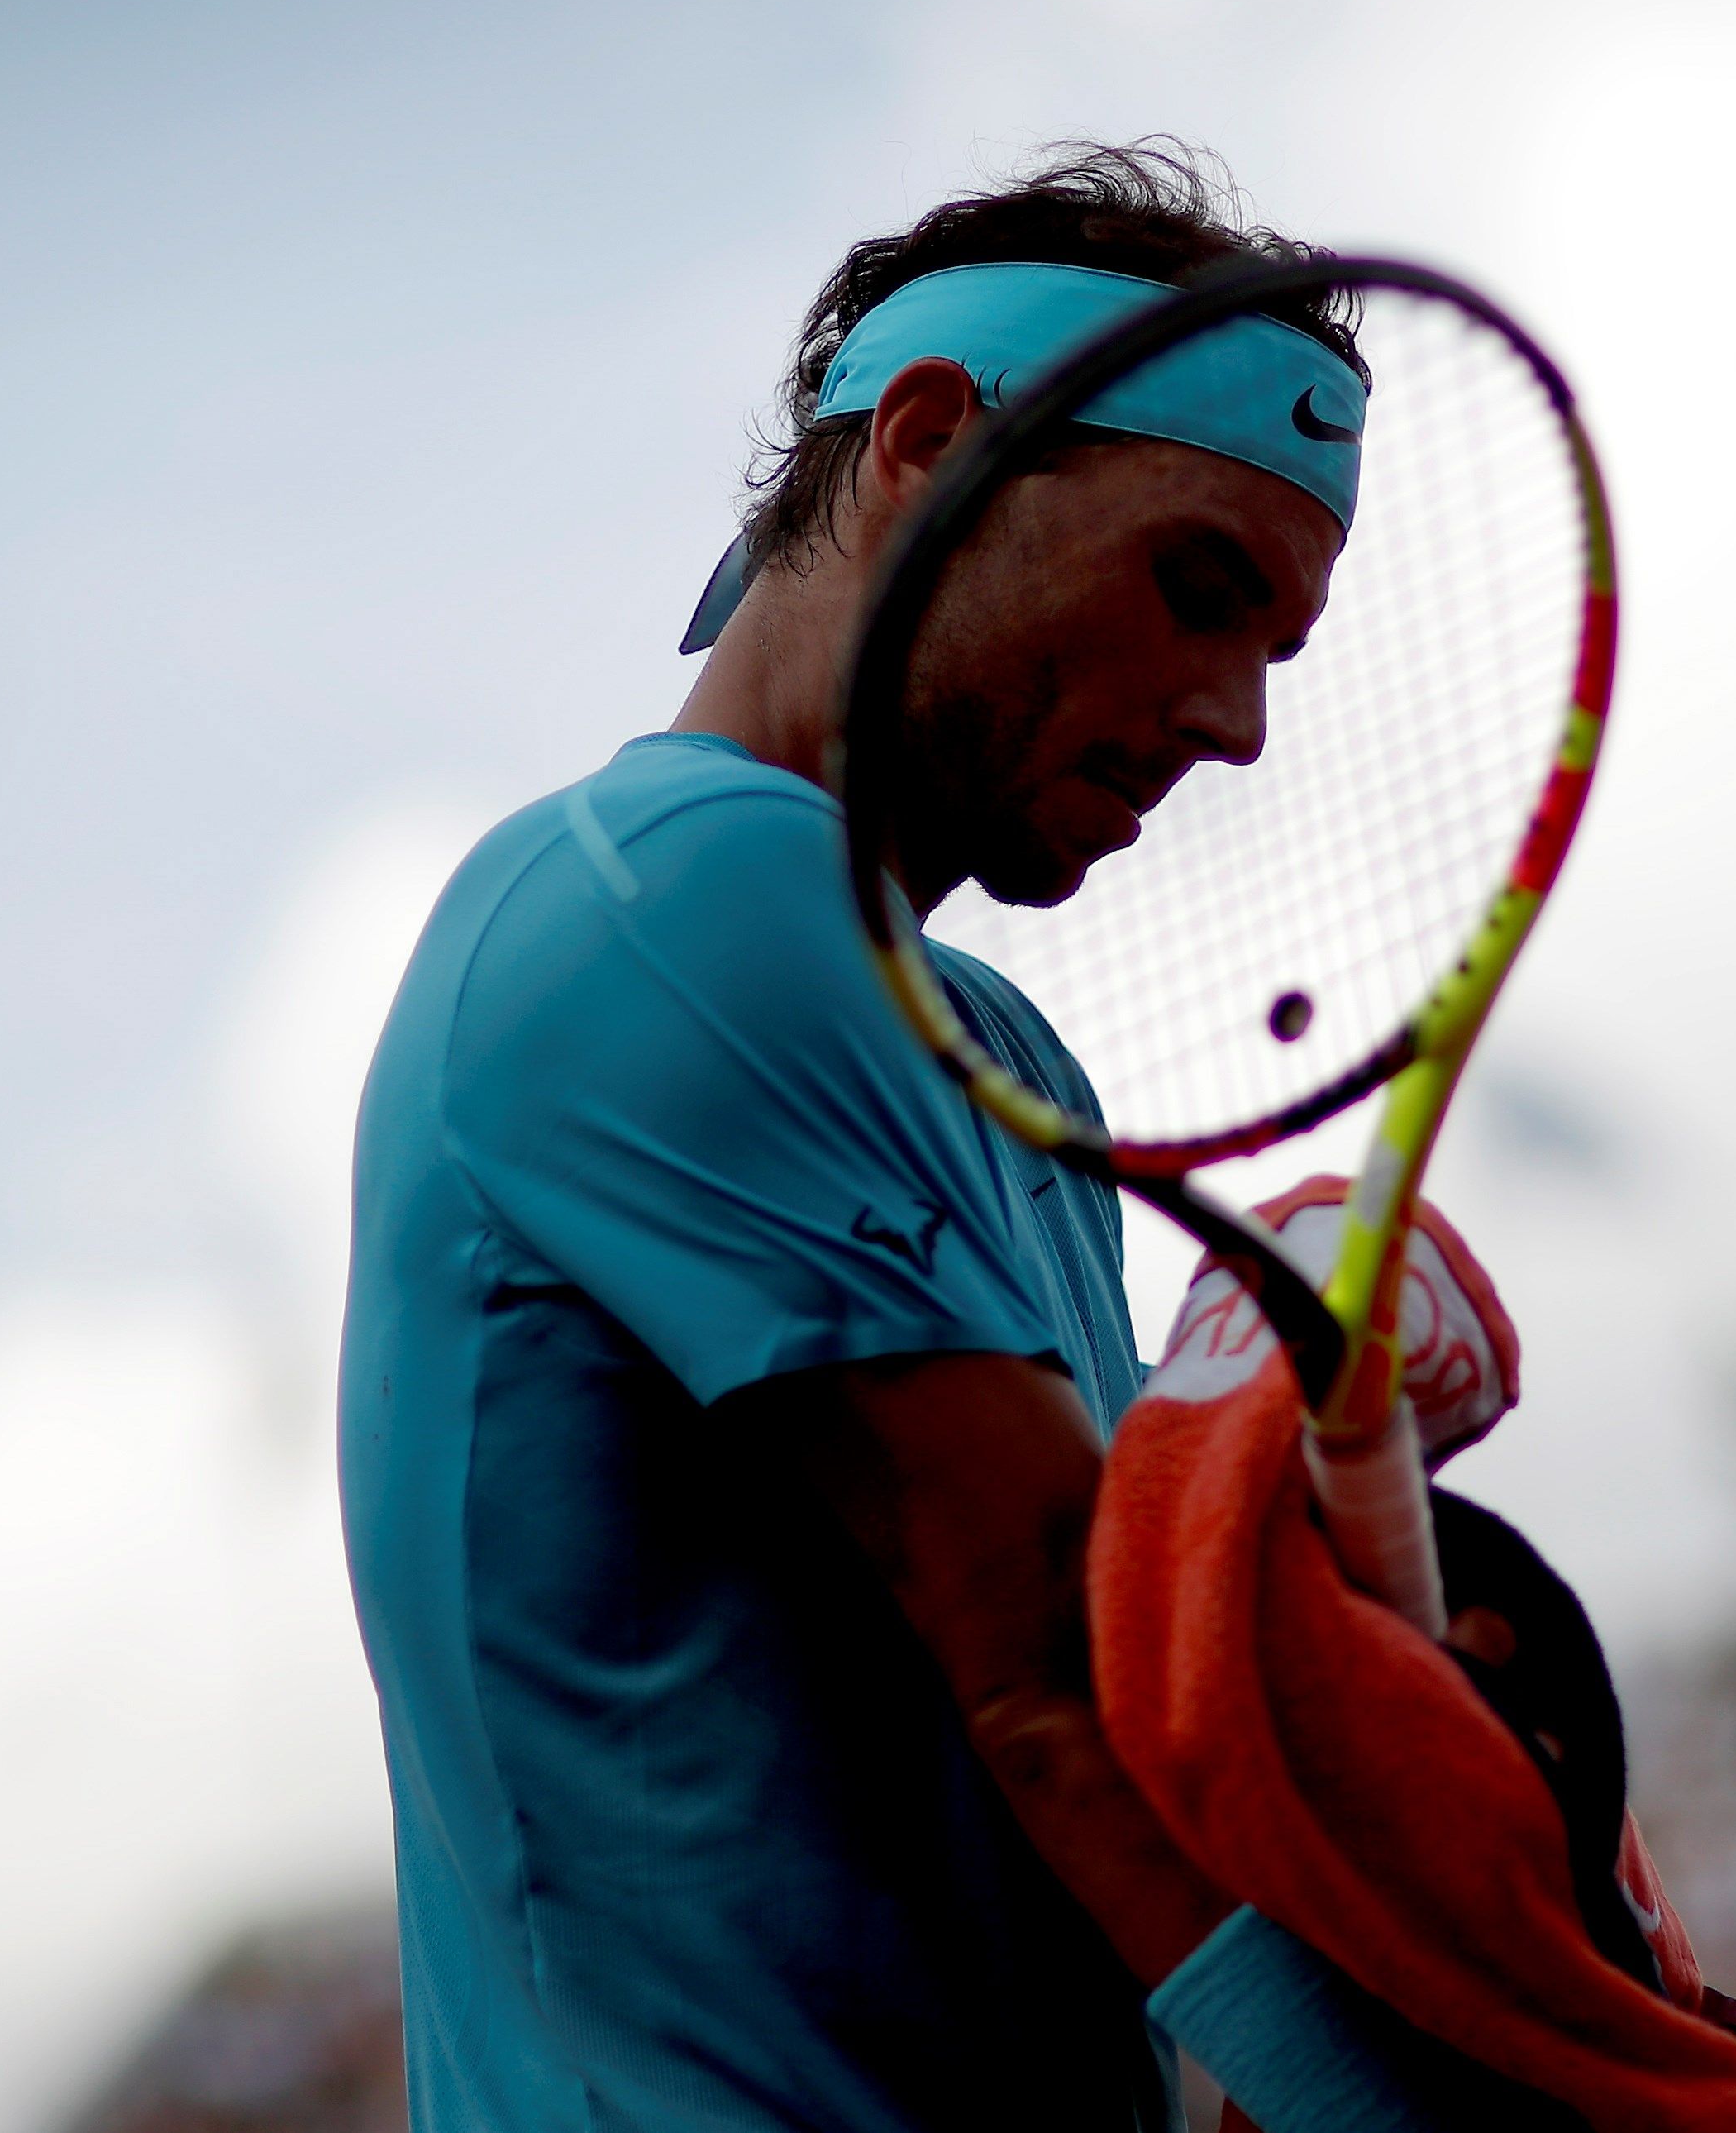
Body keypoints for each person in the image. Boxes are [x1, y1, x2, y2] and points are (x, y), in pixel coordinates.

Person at [337, 144, 1495, 2132]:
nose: (1235, 724)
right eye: (1196, 587)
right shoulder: (679, 895)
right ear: (933, 444)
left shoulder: (989, 1040)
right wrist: (1432, 2106)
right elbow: (1058, 1676)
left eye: (1276, 652)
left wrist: (1315, 1481)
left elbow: (1124, 1743)